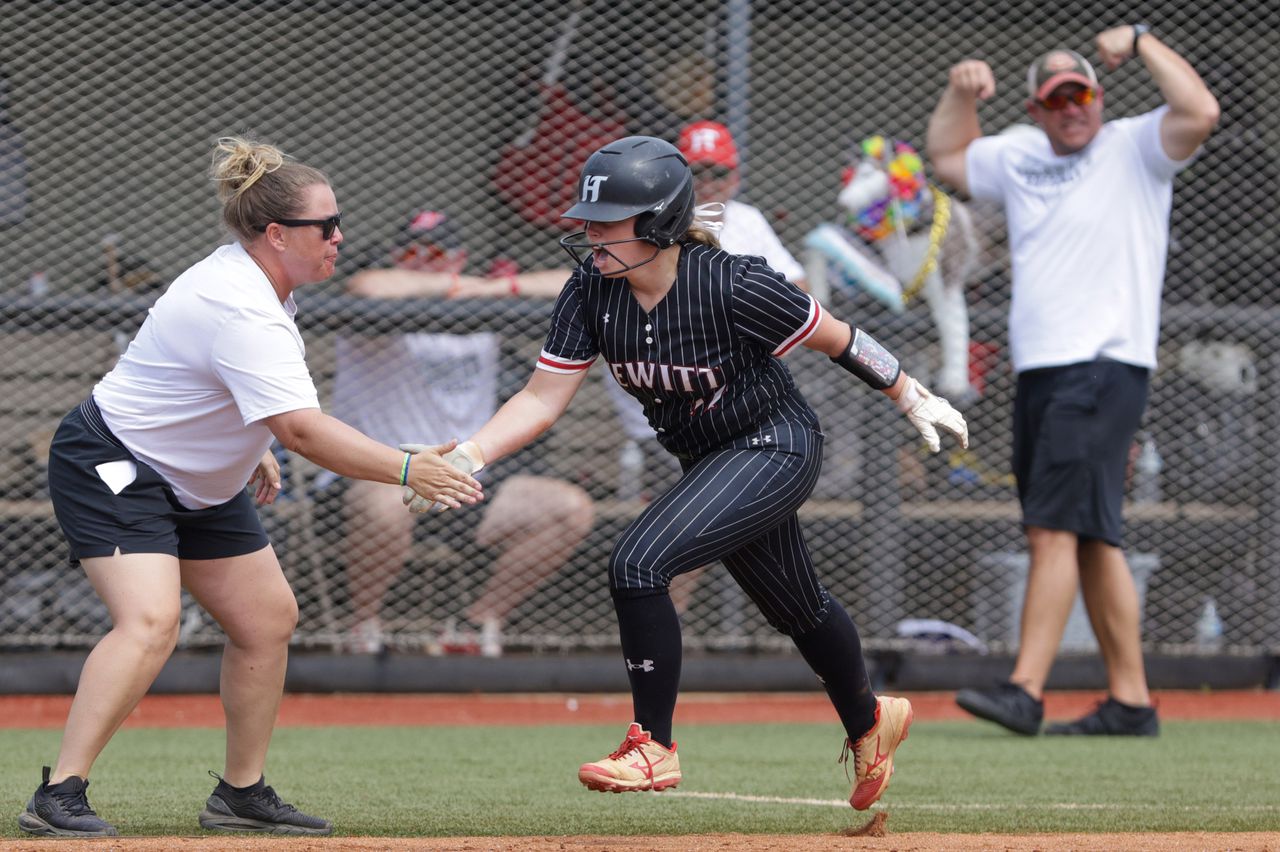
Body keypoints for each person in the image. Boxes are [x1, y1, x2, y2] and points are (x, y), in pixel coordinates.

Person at [405, 136, 968, 807]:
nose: (589, 233)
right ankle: (872, 721)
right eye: (588, 218)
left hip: (775, 443)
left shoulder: (731, 282)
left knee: (638, 564)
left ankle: (653, 746)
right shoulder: (592, 289)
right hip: (708, 458)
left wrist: (912, 395)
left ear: (660, 223)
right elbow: (541, 397)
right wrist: (470, 453)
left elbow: (836, 336)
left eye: (607, 219)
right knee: (797, 607)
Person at [18, 136, 482, 838]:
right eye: (325, 227)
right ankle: (59, 792)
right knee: (150, 622)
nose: (339, 237)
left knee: (267, 621)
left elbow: (236, 399)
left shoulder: (265, 286)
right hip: (113, 464)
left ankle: (240, 793)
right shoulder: (241, 302)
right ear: (275, 234)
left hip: (199, 477)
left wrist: (250, 441)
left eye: (337, 222)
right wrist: (410, 468)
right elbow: (302, 430)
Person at [925, 28, 1218, 736]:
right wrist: (961, 93)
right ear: (1035, 108)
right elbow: (948, 156)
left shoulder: (1135, 144)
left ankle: (1025, 688)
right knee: (1092, 535)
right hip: (1042, 368)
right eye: (1056, 100)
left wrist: (1144, 40)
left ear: (1099, 97)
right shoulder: (1020, 153)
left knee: (1051, 527)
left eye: (1080, 95)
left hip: (1103, 361)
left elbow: (1201, 111)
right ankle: (1131, 701)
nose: (1070, 110)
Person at [332, 208, 594, 656]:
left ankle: (476, 623)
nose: (421, 261)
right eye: (410, 252)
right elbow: (368, 285)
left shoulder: (482, 303)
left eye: (436, 253)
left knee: (568, 509)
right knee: (383, 505)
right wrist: (451, 285)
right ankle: (363, 627)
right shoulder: (377, 304)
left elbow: (582, 283)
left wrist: (496, 288)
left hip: (464, 479)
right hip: (382, 475)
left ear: (460, 258)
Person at [603, 120, 809, 614]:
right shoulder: (647, 221)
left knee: (693, 549)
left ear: (734, 177)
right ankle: (653, 643)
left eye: (720, 172)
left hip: (733, 413)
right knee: (665, 548)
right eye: (701, 172)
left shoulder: (747, 220)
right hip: (660, 420)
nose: (712, 182)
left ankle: (660, 642)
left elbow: (797, 294)